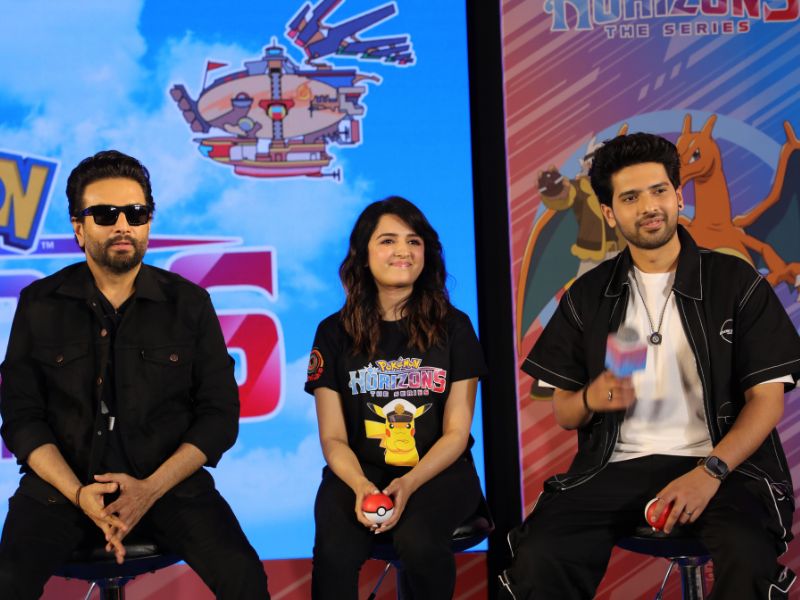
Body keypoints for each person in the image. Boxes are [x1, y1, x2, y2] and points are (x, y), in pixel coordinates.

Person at [499, 133, 800, 599]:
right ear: (609, 213)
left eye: (659, 191)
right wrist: (591, 396)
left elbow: (766, 401)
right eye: (630, 198)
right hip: (616, 466)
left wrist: (709, 473)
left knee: (747, 556)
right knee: (539, 555)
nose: (649, 207)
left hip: (725, 465)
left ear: (678, 195)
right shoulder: (587, 295)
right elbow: (565, 413)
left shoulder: (736, 280)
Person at [0, 150, 269, 599]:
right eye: (106, 214)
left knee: (245, 578)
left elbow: (219, 416)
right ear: (78, 228)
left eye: (136, 213)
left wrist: (149, 489)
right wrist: (78, 492)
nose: (123, 225)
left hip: (169, 487)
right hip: (61, 490)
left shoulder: (190, 303)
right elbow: (21, 417)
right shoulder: (39, 304)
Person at [305, 196, 486, 599]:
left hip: (439, 471)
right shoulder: (332, 333)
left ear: (426, 254)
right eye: (388, 240)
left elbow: (457, 434)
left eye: (413, 241)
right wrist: (360, 486)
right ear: (363, 255)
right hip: (357, 471)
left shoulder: (456, 328)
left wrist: (408, 482)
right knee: (335, 550)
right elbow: (332, 437)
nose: (403, 250)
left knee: (419, 541)